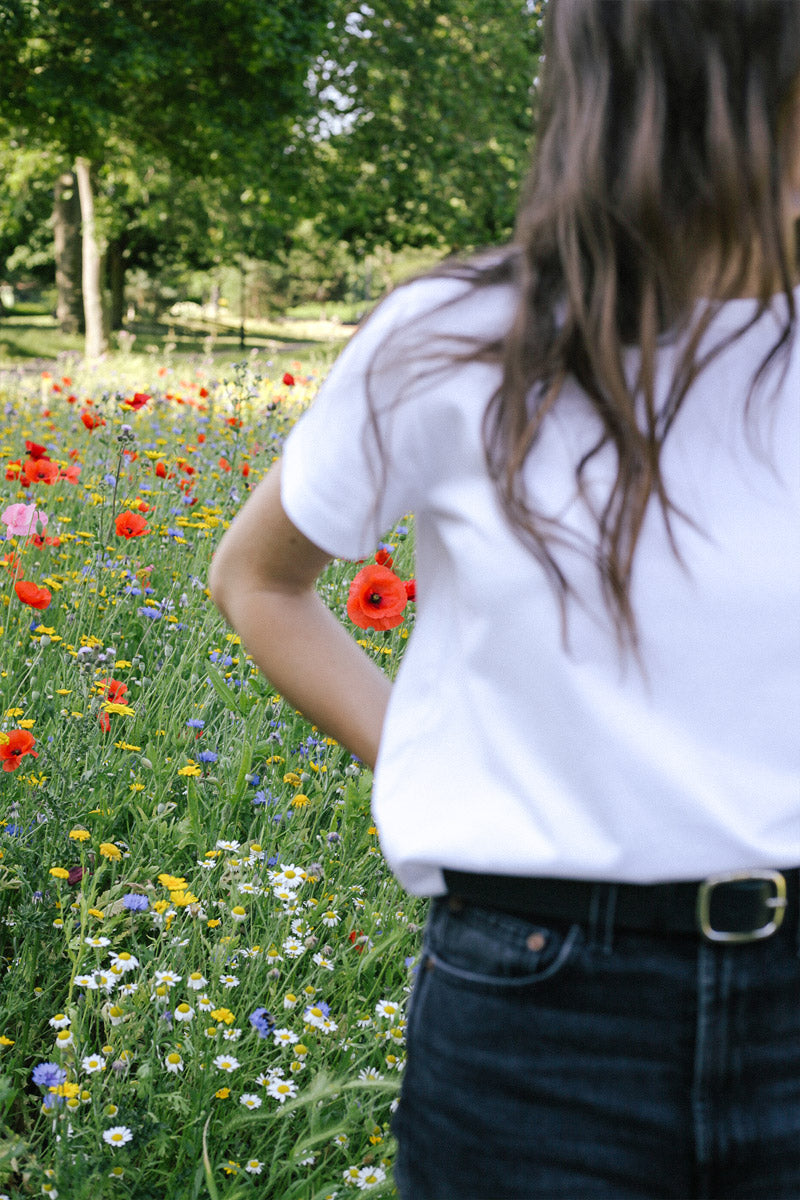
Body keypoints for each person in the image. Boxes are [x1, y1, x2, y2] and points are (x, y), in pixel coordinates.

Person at [209, 2, 800, 1196]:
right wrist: (422, 754)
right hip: (538, 1014)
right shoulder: (462, 339)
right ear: (711, 89)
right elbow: (258, 580)